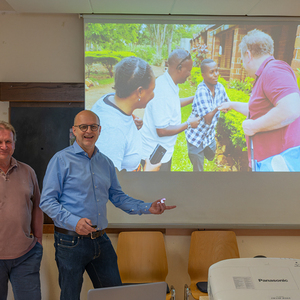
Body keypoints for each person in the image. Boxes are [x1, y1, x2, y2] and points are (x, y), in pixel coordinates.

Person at [39, 110, 176, 300]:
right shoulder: (61, 160)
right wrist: (74, 221)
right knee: (70, 296)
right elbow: (46, 201)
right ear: (74, 131)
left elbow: (118, 197)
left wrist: (147, 207)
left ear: (99, 130)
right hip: (70, 241)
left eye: (93, 126)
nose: (88, 131)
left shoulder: (106, 162)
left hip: (101, 241)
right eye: (83, 127)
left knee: (113, 295)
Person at [218, 29, 300, 171]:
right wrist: (231, 104)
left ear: (248, 55)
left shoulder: (273, 70)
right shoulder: (266, 72)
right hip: (269, 162)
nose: (242, 65)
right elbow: (257, 110)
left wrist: (254, 126)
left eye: (242, 59)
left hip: (277, 163)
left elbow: (292, 108)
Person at [0, 121, 43, 300]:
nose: (4, 146)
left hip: (25, 255)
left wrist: (38, 239)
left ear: (14, 145)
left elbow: (38, 207)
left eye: (8, 142)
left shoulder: (28, 172)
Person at [92, 56, 157, 171]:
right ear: (140, 91)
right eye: (152, 90)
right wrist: (147, 174)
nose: (153, 95)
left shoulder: (109, 98)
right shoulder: (112, 132)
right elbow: (105, 184)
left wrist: (130, 122)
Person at [140, 49, 201, 171]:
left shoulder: (169, 83)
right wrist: (189, 124)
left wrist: (194, 98)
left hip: (163, 151)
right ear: (179, 68)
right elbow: (161, 130)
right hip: (154, 156)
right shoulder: (162, 91)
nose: (189, 74)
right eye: (188, 70)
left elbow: (172, 104)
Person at [185, 59, 230, 171]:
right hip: (196, 137)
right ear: (203, 75)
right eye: (212, 72)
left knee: (210, 156)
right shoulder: (202, 91)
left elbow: (227, 104)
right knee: (199, 171)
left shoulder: (220, 87)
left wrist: (227, 106)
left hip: (209, 136)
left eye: (217, 70)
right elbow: (208, 119)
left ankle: (206, 151)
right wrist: (219, 107)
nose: (216, 75)